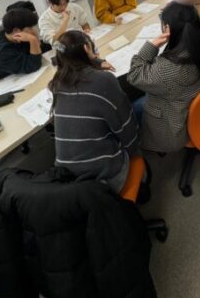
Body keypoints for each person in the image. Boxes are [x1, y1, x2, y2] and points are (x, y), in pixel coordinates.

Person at [49, 30, 139, 193]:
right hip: (104, 178)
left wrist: (95, 61)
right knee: (132, 112)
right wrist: (135, 154)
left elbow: (73, 64)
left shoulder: (57, 82)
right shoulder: (103, 80)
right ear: (86, 49)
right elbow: (125, 127)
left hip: (68, 178)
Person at [127, 2, 200, 153]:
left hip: (176, 128)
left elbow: (134, 75)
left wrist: (151, 45)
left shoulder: (168, 69)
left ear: (167, 29)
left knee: (132, 107)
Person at [0, 8, 42, 88]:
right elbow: (34, 65)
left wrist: (35, 40)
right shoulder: (1, 51)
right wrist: (33, 40)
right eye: (30, 28)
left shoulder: (14, 36)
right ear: (16, 30)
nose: (33, 30)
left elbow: (36, 53)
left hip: (9, 77)